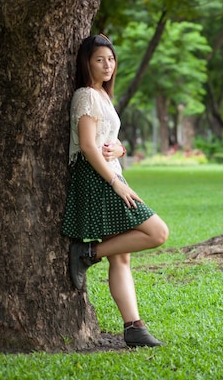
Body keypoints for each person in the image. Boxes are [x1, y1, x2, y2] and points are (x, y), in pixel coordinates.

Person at [62, 34, 169, 348]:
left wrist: (121, 150)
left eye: (110, 59)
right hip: (98, 179)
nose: (107, 65)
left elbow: (104, 140)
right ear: (87, 63)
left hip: (111, 173)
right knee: (157, 232)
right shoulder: (85, 95)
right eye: (99, 59)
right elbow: (86, 145)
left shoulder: (103, 96)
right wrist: (115, 182)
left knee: (121, 259)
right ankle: (87, 253)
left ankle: (133, 327)